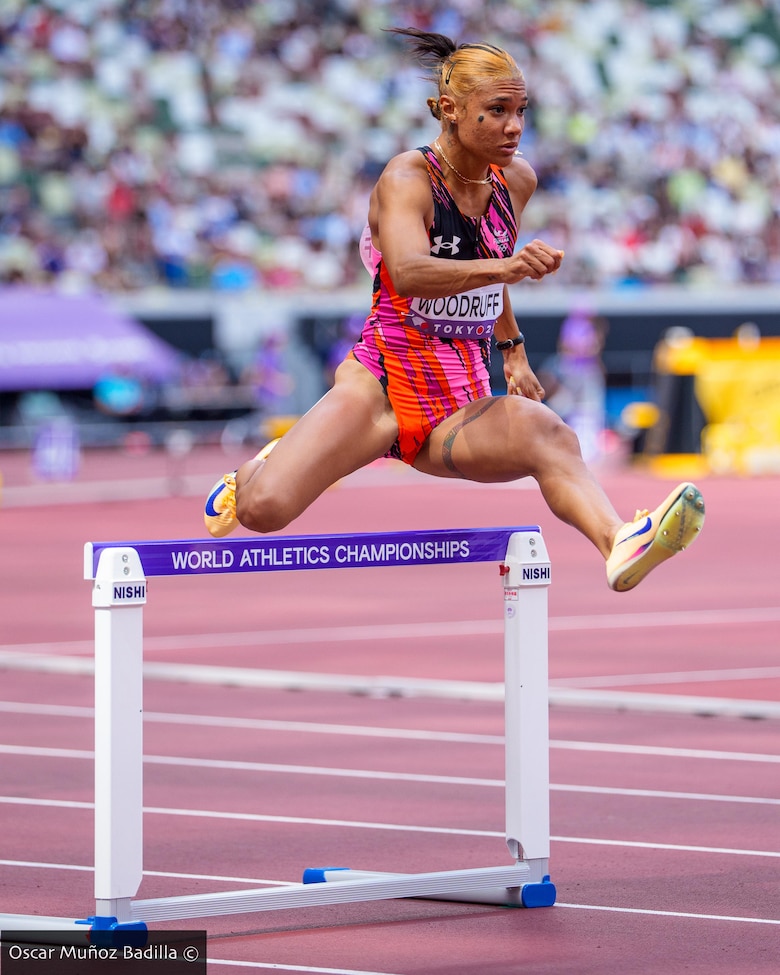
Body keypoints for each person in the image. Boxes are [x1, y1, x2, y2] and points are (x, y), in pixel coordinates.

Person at [204, 27, 704, 593]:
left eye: (521, 111)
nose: (515, 127)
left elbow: (486, 260)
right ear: (449, 110)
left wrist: (512, 349)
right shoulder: (406, 180)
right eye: (497, 111)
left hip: (457, 396)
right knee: (264, 510)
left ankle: (619, 541)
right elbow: (413, 272)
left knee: (552, 437)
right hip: (382, 387)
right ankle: (260, 467)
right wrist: (507, 268)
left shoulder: (516, 180)